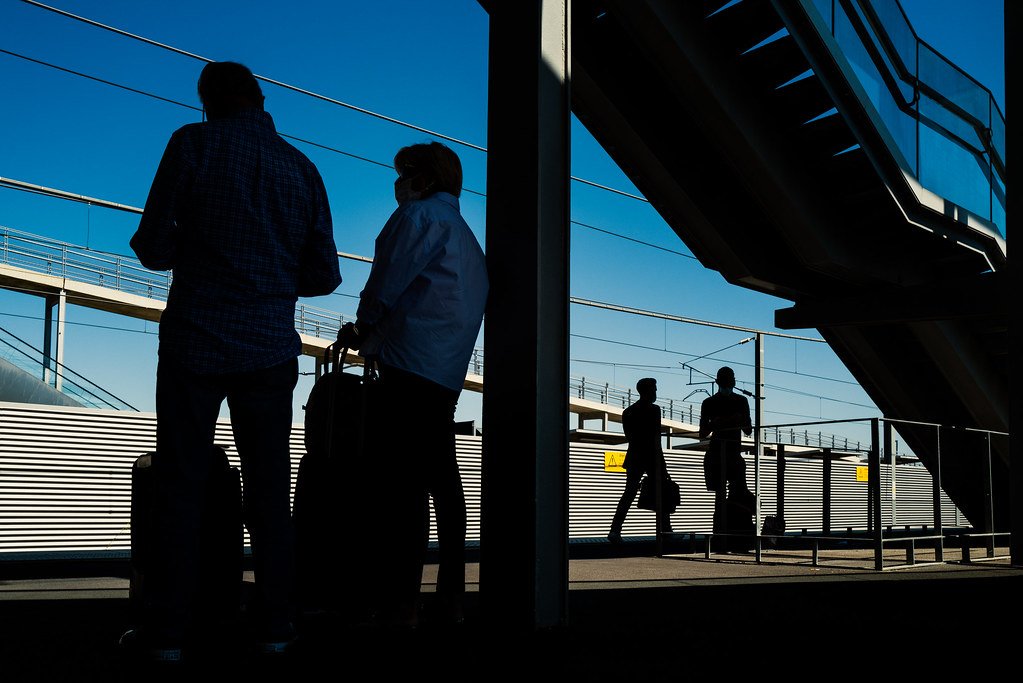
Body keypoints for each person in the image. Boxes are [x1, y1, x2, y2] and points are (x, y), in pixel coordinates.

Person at [124, 61, 342, 660]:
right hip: (269, 350)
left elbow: (151, 244)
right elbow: (324, 274)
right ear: (260, 99)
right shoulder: (302, 169)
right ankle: (275, 624)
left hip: (195, 339)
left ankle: (167, 631)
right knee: (271, 490)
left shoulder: (191, 144)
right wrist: (271, 275)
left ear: (207, 100)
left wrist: (191, 251)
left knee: (181, 484)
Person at [338, 141, 488, 628]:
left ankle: (400, 602)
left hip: (407, 367)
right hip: (445, 374)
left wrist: (362, 327)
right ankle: (452, 597)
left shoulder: (418, 218)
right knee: (442, 484)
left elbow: (386, 283)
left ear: (424, 178)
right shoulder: (468, 238)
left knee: (399, 490)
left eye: (403, 172)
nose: (398, 182)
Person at [608, 378, 673, 543]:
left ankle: (615, 530)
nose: (656, 393)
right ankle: (666, 531)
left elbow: (629, 437)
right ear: (649, 391)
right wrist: (663, 466)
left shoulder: (628, 412)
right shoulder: (654, 410)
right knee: (661, 492)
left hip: (635, 457)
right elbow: (656, 440)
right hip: (651, 457)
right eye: (655, 389)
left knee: (629, 493)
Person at [699, 366, 754, 549]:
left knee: (723, 498)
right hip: (726, 455)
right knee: (733, 495)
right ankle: (730, 534)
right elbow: (748, 430)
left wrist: (719, 423)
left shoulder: (709, 403)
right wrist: (726, 421)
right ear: (734, 382)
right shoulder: (740, 401)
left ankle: (722, 533)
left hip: (719, 454)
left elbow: (702, 433)